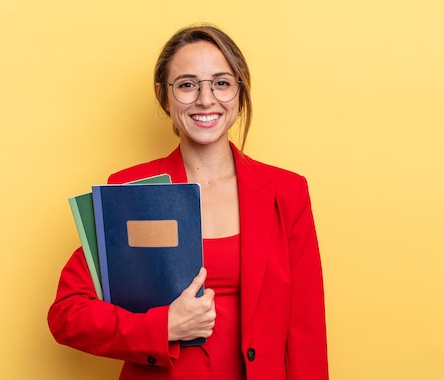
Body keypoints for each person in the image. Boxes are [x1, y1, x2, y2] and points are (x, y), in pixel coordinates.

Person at [48, 24, 328, 380]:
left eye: (222, 83)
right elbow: (67, 314)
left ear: (241, 94)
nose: (205, 99)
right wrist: (162, 326)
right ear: (164, 96)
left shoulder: (286, 192)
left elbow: (306, 331)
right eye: (187, 84)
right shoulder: (131, 190)